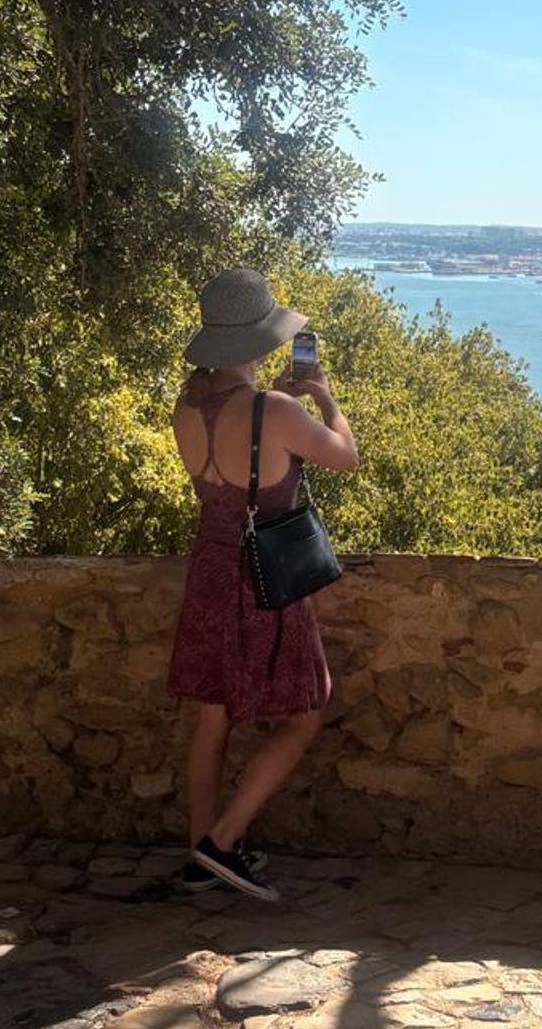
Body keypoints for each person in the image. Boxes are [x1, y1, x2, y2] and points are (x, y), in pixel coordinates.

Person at [167, 268, 358, 902]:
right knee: (304, 713)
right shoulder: (277, 410)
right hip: (264, 577)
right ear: (262, 341)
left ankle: (202, 854)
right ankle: (223, 842)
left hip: (210, 569)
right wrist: (325, 399)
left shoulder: (185, 407)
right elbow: (344, 457)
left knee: (213, 715)